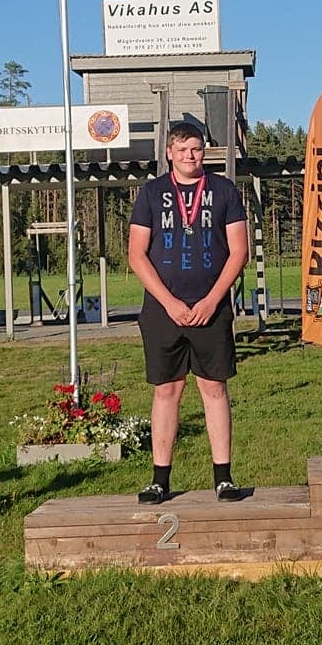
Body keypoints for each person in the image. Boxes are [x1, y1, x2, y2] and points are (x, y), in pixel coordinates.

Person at [127, 121, 251, 504]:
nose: (189, 156)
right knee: (167, 390)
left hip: (210, 307)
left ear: (205, 151)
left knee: (213, 388)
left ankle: (224, 478)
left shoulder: (224, 190)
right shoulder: (151, 193)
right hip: (164, 309)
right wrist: (169, 303)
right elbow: (136, 254)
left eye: (196, 149)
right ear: (169, 152)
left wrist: (213, 300)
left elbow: (239, 251)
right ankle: (159, 480)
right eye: (181, 150)